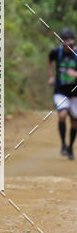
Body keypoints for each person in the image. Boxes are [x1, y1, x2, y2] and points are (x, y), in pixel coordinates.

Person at [47, 28, 77, 159]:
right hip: (60, 91)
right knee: (62, 115)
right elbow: (49, 59)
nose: (67, 47)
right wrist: (50, 76)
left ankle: (70, 147)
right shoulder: (56, 52)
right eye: (64, 44)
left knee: (75, 122)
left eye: (69, 44)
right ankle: (63, 145)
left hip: (75, 94)